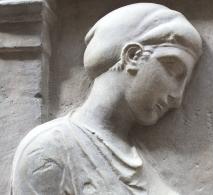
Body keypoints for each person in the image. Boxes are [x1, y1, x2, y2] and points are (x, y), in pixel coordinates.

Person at [10, 3, 202, 195]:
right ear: (133, 56)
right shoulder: (49, 149)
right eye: (174, 71)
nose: (177, 97)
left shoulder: (137, 159)